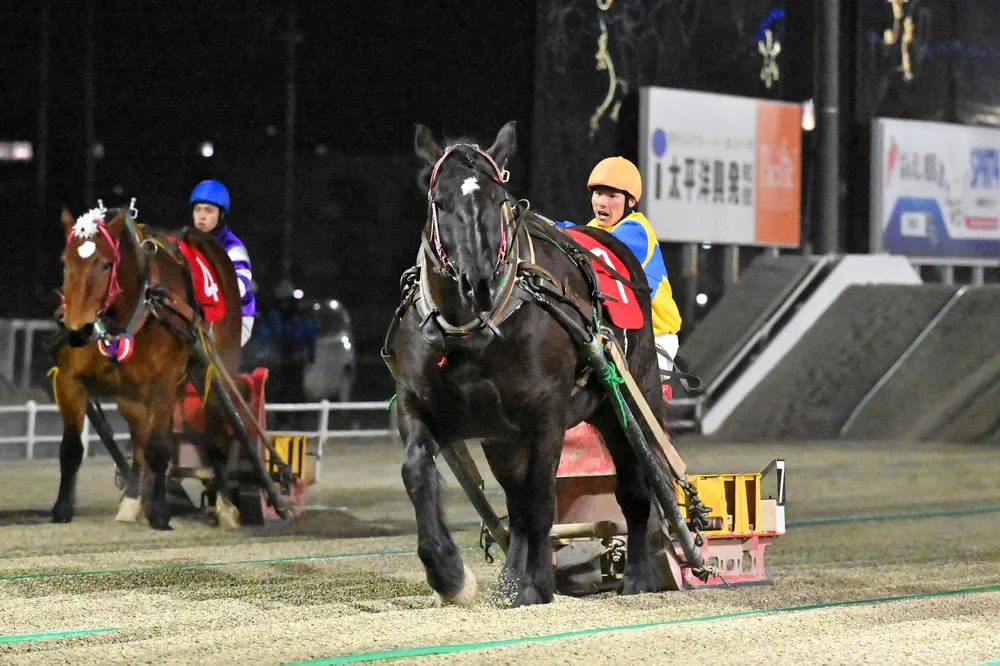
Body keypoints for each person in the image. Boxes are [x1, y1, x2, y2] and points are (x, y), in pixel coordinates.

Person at [557, 156, 682, 380]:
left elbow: (594, 245)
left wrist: (554, 231)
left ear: (630, 201)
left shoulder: (636, 230)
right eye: (598, 193)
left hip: (655, 339)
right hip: (622, 334)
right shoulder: (593, 228)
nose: (602, 202)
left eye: (612, 195)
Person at [190, 179, 256, 346]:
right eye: (197, 209)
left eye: (208, 210)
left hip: (236, 317)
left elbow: (239, 287)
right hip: (202, 313)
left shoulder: (234, 247)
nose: (201, 216)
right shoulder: (188, 242)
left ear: (221, 215)